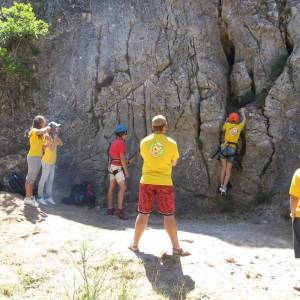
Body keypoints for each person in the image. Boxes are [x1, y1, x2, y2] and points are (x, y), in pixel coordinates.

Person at [129, 115, 190, 256]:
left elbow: (146, 157)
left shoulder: (144, 142)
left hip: (147, 181)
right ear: (165, 127)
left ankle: (135, 245)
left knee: (143, 214)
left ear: (152, 126)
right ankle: (176, 248)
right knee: (168, 215)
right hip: (164, 183)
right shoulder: (172, 143)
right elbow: (174, 163)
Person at [24, 115, 50, 207]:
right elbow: (41, 131)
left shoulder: (40, 134)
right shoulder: (34, 130)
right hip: (34, 157)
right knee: (31, 179)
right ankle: (28, 198)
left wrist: (48, 142)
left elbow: (44, 147)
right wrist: (48, 127)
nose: (45, 123)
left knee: (30, 178)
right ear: (39, 123)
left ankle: (28, 197)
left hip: (36, 157)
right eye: (44, 121)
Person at [219, 108, 246, 195]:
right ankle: (224, 188)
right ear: (237, 120)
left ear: (230, 119)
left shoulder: (227, 125)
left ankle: (221, 185)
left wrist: (226, 120)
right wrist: (242, 112)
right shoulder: (239, 126)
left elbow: (222, 130)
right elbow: (244, 121)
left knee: (223, 168)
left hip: (224, 147)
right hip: (232, 149)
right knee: (228, 170)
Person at [107, 124, 130, 220]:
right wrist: (126, 171)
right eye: (126, 133)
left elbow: (111, 156)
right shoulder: (121, 143)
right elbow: (122, 158)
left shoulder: (114, 142)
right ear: (122, 134)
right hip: (117, 167)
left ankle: (110, 208)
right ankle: (120, 210)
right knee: (123, 187)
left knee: (111, 187)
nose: (126, 135)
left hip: (111, 166)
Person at [37, 122, 63, 205]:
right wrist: (55, 140)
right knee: (43, 179)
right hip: (46, 161)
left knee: (50, 180)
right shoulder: (46, 136)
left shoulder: (54, 136)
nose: (57, 129)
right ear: (51, 129)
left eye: (57, 128)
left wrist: (56, 138)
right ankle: (39, 197)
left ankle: (48, 197)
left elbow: (61, 144)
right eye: (56, 128)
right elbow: (51, 149)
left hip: (52, 161)